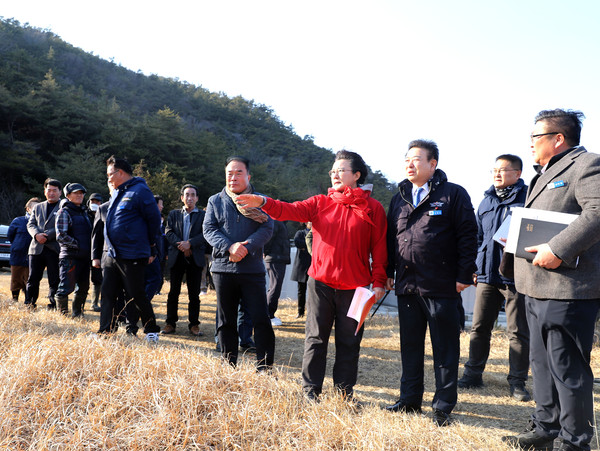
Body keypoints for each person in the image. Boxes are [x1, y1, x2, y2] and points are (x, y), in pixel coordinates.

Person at [237, 150, 387, 401]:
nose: (335, 174)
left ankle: (343, 393)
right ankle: (310, 391)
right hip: (320, 283)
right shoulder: (320, 202)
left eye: (341, 170)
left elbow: (380, 248)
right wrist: (262, 202)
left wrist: (379, 281)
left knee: (349, 343)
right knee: (316, 339)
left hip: (356, 288)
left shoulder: (373, 208)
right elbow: (289, 210)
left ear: (357, 175)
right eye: (333, 170)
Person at [502, 109, 600, 451]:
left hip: (567, 287)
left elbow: (598, 211)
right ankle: (547, 427)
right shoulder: (545, 172)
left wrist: (557, 248)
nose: (530, 143)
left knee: (567, 367)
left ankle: (574, 441)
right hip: (534, 284)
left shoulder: (586, 164)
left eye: (535, 137)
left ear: (558, 139)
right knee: (541, 363)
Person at [384, 139, 477, 426]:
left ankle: (442, 406)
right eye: (406, 159)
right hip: (407, 285)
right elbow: (391, 238)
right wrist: (388, 271)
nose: (409, 164)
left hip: (441, 285)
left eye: (416, 159)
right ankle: (409, 400)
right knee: (410, 346)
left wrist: (463, 275)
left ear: (432, 164)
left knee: (445, 349)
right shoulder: (399, 196)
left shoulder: (453, 194)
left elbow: (468, 236)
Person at [458, 154, 531, 402]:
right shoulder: (486, 200)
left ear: (517, 173)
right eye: (494, 170)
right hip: (487, 276)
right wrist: (476, 267)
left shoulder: (529, 198)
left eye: (503, 170)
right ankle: (472, 375)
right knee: (479, 327)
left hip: (516, 276)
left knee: (518, 331)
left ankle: (517, 382)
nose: (497, 174)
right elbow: (478, 237)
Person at [203, 156, 275, 370]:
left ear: (248, 176)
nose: (233, 178)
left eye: (238, 173)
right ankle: (228, 365)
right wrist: (230, 247)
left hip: (252, 269)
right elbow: (209, 229)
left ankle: (264, 368)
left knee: (260, 318)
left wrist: (247, 247)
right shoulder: (215, 200)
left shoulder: (260, 200)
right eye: (229, 173)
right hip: (223, 269)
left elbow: (267, 228)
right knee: (226, 320)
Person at [96, 156, 162, 342]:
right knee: (107, 294)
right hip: (112, 254)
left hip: (132, 253)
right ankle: (105, 331)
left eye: (110, 174)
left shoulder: (140, 191)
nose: (108, 178)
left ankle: (151, 331)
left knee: (136, 295)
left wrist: (150, 246)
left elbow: (154, 221)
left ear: (121, 173)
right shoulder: (118, 191)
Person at [163, 184, 207, 337]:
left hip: (195, 258)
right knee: (173, 292)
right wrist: (181, 245)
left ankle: (194, 325)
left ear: (197, 198)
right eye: (187, 195)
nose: (190, 198)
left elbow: (206, 234)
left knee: (194, 294)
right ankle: (170, 323)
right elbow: (168, 231)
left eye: (193, 195)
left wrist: (191, 243)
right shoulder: (174, 214)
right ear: (182, 198)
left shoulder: (203, 215)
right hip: (177, 256)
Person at [55, 183, 93, 316]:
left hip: (84, 256)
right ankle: (63, 314)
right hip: (70, 256)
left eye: (82, 193)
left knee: (83, 288)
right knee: (65, 287)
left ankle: (78, 313)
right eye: (76, 193)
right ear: (68, 195)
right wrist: (78, 244)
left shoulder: (84, 212)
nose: (79, 195)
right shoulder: (64, 212)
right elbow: (61, 236)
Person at [25, 178, 63, 309]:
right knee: (33, 278)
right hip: (36, 247)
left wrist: (47, 235)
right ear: (45, 191)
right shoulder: (38, 207)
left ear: (60, 192)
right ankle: (29, 303)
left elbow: (64, 226)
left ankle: (53, 304)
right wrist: (36, 235)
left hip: (54, 248)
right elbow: (31, 223)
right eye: (49, 190)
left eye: (54, 190)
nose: (51, 193)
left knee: (55, 279)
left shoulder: (64, 207)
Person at [7, 198, 39, 301]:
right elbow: (10, 235)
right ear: (28, 209)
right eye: (33, 207)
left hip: (33, 255)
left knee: (30, 279)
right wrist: (17, 246)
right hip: (18, 254)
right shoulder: (18, 221)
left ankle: (28, 301)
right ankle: (14, 298)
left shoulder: (41, 223)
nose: (35, 210)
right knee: (16, 278)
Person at [263, 219, 291, 326]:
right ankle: (269, 315)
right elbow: (268, 238)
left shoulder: (279, 223)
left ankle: (269, 313)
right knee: (275, 287)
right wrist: (265, 252)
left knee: (274, 287)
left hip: (277, 258)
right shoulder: (276, 222)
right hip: (275, 258)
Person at [290, 222, 312, 318]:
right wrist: (309, 245)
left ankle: (312, 312)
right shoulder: (300, 232)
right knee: (301, 290)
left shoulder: (317, 233)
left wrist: (305, 247)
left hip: (313, 266)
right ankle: (300, 311)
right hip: (301, 266)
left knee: (313, 291)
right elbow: (297, 242)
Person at [87, 193, 104, 312]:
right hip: (83, 250)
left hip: (98, 251)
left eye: (97, 202)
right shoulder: (83, 214)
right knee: (80, 278)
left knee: (97, 278)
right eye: (93, 201)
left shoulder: (103, 214)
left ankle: (94, 303)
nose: (95, 204)